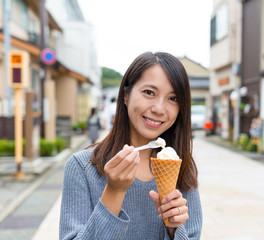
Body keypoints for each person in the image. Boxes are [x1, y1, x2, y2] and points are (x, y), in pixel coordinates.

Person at [60, 52, 202, 239]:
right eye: (149, 93)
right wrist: (114, 191)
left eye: (173, 98)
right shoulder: (82, 167)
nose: (159, 109)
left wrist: (174, 229)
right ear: (126, 96)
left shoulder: (180, 166)